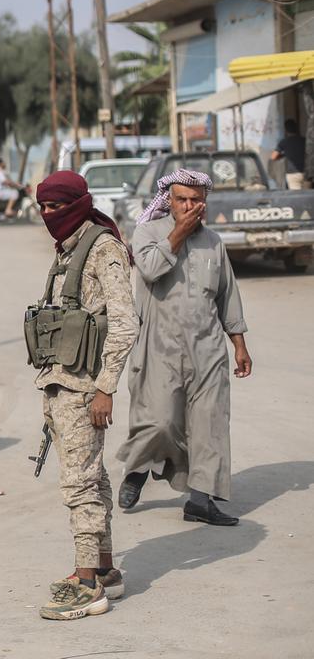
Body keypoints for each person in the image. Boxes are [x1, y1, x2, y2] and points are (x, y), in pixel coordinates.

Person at [26, 171, 136, 621]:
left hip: (84, 388)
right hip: (60, 383)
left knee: (80, 484)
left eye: (57, 207)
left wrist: (105, 388)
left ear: (78, 203)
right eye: (44, 208)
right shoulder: (69, 249)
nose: (50, 215)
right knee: (94, 475)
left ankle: (88, 583)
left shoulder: (101, 248)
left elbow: (125, 323)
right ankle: (106, 569)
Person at [116, 169, 252, 527]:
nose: (189, 206)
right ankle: (139, 469)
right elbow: (147, 269)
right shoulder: (147, 232)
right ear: (169, 201)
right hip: (158, 345)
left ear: (203, 201)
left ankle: (201, 501)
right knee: (158, 421)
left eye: (195, 200)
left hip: (207, 347)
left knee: (209, 425)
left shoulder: (214, 242)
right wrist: (178, 234)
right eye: (181, 200)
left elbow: (227, 295)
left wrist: (239, 343)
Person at [270, 118, 307, 189]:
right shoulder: (304, 140)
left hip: (292, 174)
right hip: (306, 173)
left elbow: (273, 157)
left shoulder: (284, 142)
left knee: (296, 198)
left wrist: (284, 155)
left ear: (286, 130)